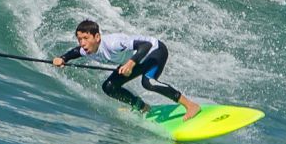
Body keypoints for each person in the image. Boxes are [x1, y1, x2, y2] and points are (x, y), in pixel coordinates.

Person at [52, 20, 201, 121]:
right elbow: (75, 52)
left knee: (148, 82)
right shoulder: (87, 49)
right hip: (136, 60)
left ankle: (191, 105)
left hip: (154, 51)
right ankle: (143, 108)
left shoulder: (114, 43)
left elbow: (145, 46)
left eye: (85, 38)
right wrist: (63, 58)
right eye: (79, 39)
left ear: (97, 37)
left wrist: (130, 63)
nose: (82, 43)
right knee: (109, 87)